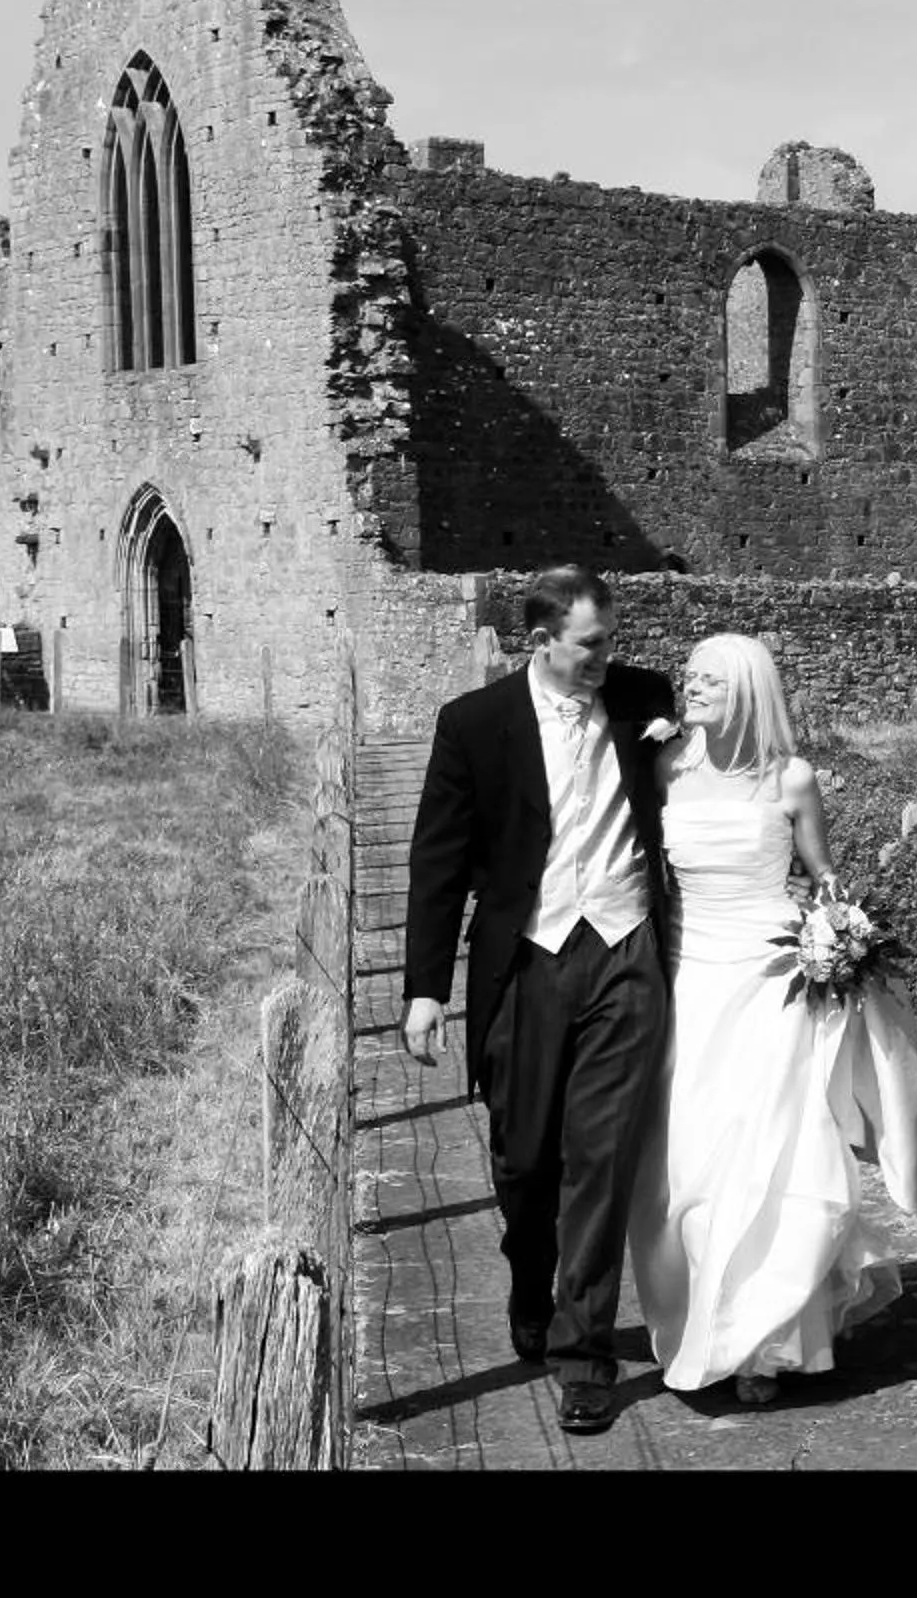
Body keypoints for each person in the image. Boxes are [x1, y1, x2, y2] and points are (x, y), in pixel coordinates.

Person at [402, 565, 675, 1436]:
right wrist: (423, 990)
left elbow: (732, 741)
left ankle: (584, 1353)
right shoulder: (473, 726)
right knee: (525, 1163)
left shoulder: (644, 697)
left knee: (601, 1159)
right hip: (525, 960)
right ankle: (531, 1279)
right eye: (591, 644)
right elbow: (438, 864)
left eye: (611, 642)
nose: (606, 658)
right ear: (541, 640)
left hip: (627, 953)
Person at [628, 632, 917, 1404]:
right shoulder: (666, 767)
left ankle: (770, 1344)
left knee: (773, 1156)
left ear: (747, 692)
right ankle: (709, 1325)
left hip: (771, 983)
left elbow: (821, 872)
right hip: (690, 981)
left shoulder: (791, 779)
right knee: (692, 1162)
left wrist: (841, 933)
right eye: (687, 677)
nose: (689, 689)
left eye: (708, 682)